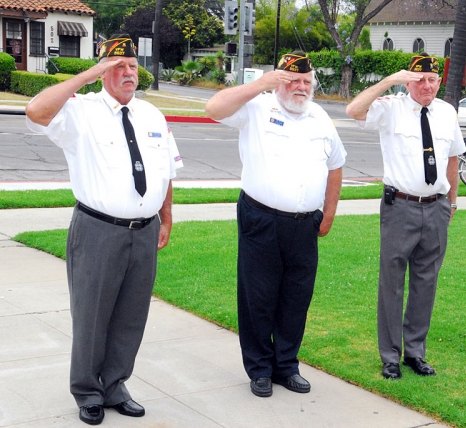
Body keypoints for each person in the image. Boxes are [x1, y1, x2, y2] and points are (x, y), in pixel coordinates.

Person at [25, 34, 183, 425]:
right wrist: (90, 74)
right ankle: (87, 391)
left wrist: (166, 216)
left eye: (131, 66)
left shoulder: (152, 115)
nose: (128, 73)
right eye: (118, 67)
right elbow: (35, 110)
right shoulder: (80, 111)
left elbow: (165, 171)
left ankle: (115, 385)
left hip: (144, 230)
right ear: (102, 73)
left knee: (131, 316)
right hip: (98, 230)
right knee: (92, 316)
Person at [205, 51, 346, 397]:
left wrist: (328, 214)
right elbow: (213, 108)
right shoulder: (257, 107)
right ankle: (259, 368)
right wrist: (261, 84)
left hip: (304, 225)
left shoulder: (320, 117)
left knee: (296, 296)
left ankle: (286, 365)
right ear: (279, 80)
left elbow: (336, 164)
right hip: (261, 219)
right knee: (258, 296)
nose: (300, 87)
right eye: (292, 79)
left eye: (306, 81)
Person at [346, 53, 465, 380]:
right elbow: (354, 110)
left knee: (426, 283)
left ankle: (415, 352)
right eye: (419, 80)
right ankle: (390, 356)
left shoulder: (446, 112)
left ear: (439, 81)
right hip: (400, 207)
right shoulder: (390, 108)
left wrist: (452, 202)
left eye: (432, 79)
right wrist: (390, 81)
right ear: (408, 81)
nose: (426, 86)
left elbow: (452, 159)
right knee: (392, 284)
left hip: (437, 206)